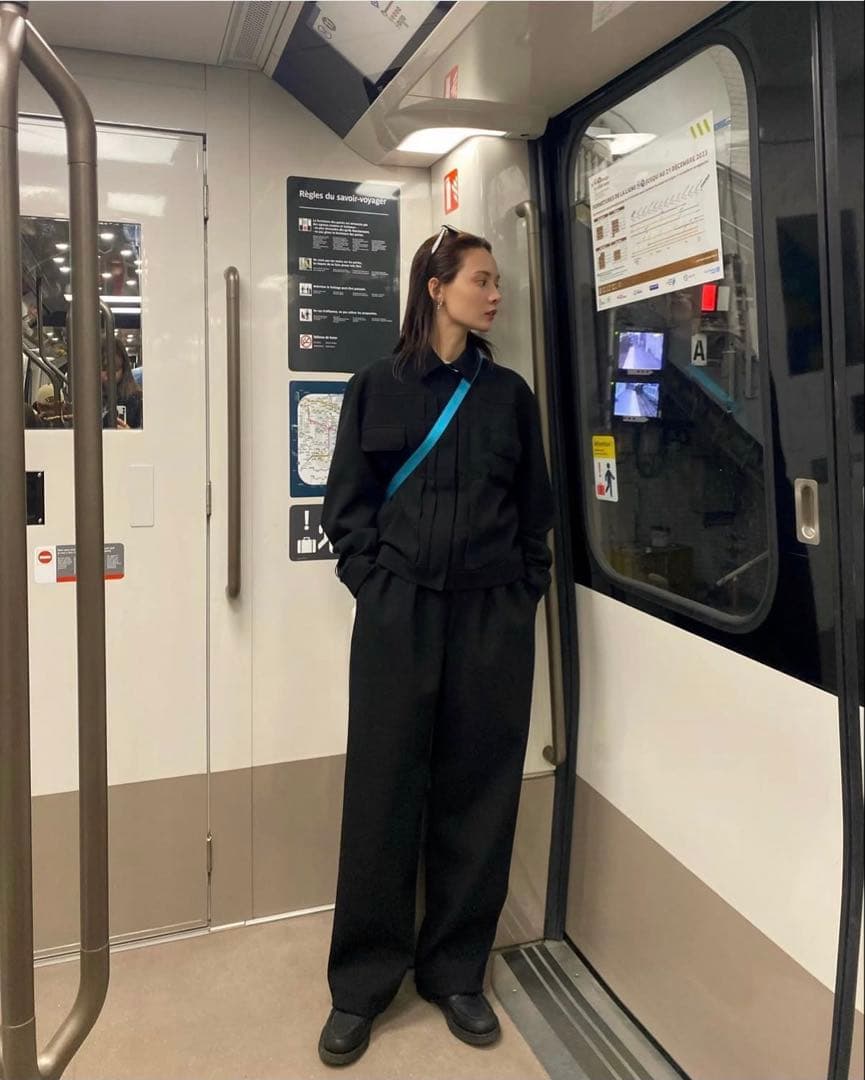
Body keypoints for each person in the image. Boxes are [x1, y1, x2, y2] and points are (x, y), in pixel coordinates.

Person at [318, 225, 554, 1066]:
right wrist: (374, 584)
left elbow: (534, 511)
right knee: (382, 788)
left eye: (496, 282)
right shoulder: (374, 387)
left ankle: (455, 973)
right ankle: (361, 985)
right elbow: (346, 506)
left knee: (478, 789)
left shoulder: (509, 395)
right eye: (481, 280)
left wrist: (523, 588)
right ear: (436, 287)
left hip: (492, 616)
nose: (495, 295)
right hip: (400, 613)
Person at [102, 338, 143, 429]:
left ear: (124, 369)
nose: (110, 375)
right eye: (104, 368)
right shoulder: (87, 399)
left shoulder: (136, 399)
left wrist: (131, 434)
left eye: (115, 369)